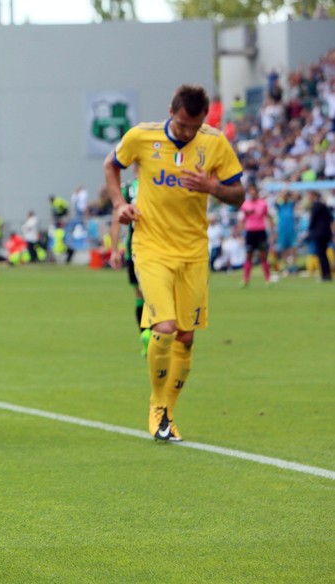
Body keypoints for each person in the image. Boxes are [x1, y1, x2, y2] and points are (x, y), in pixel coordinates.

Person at [104, 84, 245, 442]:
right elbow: (112, 165)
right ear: (171, 111)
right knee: (164, 327)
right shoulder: (141, 137)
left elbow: (239, 195)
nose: (186, 132)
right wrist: (120, 204)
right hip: (150, 246)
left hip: (194, 251)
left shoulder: (214, 143)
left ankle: (169, 412)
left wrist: (212, 187)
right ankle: (156, 405)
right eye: (182, 125)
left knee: (186, 335)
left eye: (193, 127)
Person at [108, 163, 151, 357]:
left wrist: (115, 250)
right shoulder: (159, 186)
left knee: (140, 295)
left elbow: (116, 220)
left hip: (134, 249)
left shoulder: (127, 189)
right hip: (157, 248)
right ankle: (153, 335)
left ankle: (146, 336)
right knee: (157, 296)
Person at [238, 184, 275, 287]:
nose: (252, 194)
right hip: (250, 233)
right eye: (251, 192)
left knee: (263, 256)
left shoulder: (263, 204)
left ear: (257, 193)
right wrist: (239, 234)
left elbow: (269, 217)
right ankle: (246, 280)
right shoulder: (245, 205)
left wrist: (273, 232)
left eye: (254, 192)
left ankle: (267, 279)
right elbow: (242, 220)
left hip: (261, 232)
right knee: (248, 256)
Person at [307, 191, 333, 282]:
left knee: (321, 254)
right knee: (324, 254)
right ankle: (327, 274)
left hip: (319, 233)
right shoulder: (324, 205)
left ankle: (324, 275)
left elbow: (312, 221)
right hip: (326, 233)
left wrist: (308, 231)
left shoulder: (315, 206)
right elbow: (330, 219)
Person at [273, 191, 298, 276]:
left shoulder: (290, 205)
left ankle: (294, 267)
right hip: (282, 230)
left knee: (293, 248)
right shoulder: (280, 206)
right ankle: (286, 267)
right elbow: (275, 202)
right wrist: (281, 194)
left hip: (291, 229)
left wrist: (289, 193)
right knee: (284, 249)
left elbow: (296, 197)